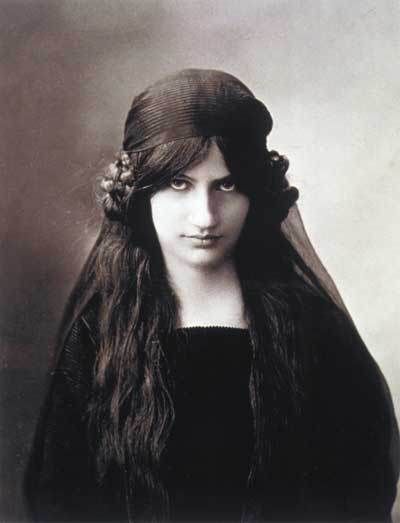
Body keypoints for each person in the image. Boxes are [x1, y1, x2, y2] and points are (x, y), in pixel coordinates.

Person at [25, 69, 399, 522]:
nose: (205, 216)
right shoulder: (97, 338)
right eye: (179, 184)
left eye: (227, 185)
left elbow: (360, 491)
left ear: (254, 194)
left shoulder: (315, 330)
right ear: (142, 193)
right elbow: (59, 501)